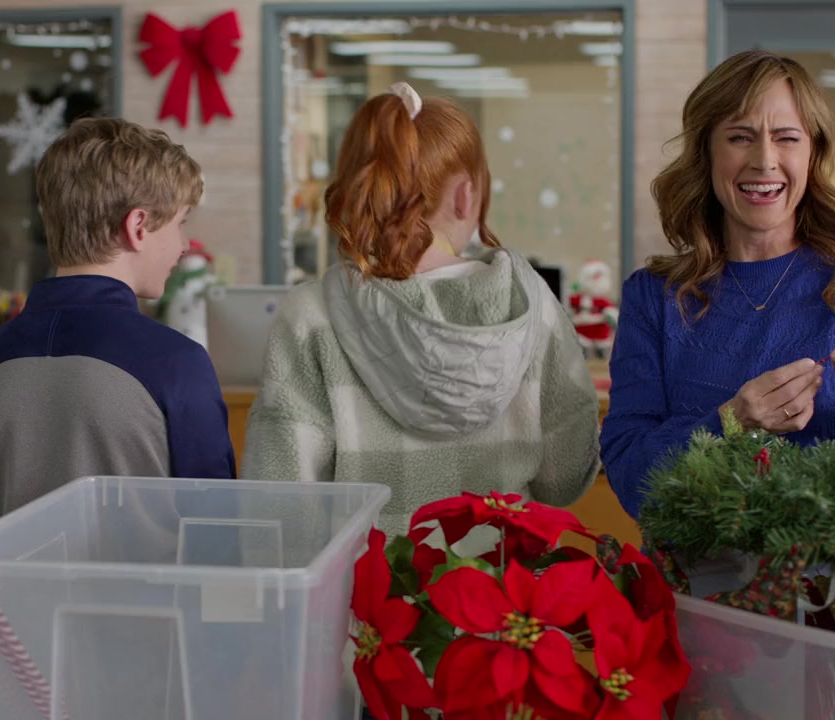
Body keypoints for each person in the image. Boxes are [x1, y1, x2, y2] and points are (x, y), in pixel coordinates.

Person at [600, 50, 835, 520]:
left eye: (787, 138)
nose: (764, 160)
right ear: (706, 152)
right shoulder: (654, 296)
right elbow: (628, 477)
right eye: (740, 137)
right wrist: (730, 423)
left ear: (813, 154)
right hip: (697, 567)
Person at [241, 83, 601, 535]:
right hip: (504, 575)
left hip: (365, 578)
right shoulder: (530, 306)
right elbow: (564, 477)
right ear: (465, 196)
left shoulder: (311, 315)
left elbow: (280, 500)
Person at [0, 117, 235, 535]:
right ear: (138, 227)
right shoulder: (176, 363)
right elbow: (216, 530)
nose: (184, 244)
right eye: (181, 223)